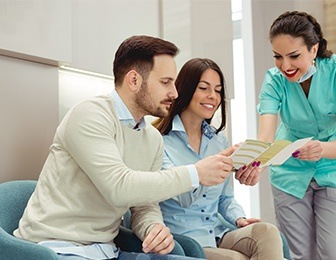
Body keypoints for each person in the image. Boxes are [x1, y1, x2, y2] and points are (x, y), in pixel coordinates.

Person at [13, 35, 238, 260]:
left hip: (107, 250)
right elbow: (119, 187)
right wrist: (196, 173)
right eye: (165, 82)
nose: (175, 93)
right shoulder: (90, 116)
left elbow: (143, 205)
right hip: (56, 249)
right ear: (134, 80)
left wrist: (153, 228)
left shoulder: (152, 138)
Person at [257, 11, 336, 260]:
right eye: (278, 57)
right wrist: (254, 163)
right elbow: (265, 137)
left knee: (332, 253)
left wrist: (320, 149)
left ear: (314, 49)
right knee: (298, 255)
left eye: (294, 56)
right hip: (289, 172)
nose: (285, 66)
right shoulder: (274, 80)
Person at [155, 58, 284, 260]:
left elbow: (225, 198)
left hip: (217, 233)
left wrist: (239, 218)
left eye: (218, 90)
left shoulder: (218, 141)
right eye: (204, 88)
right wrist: (209, 169)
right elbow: (183, 197)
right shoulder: (161, 143)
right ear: (185, 89)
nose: (212, 96)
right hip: (185, 240)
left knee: (266, 232)